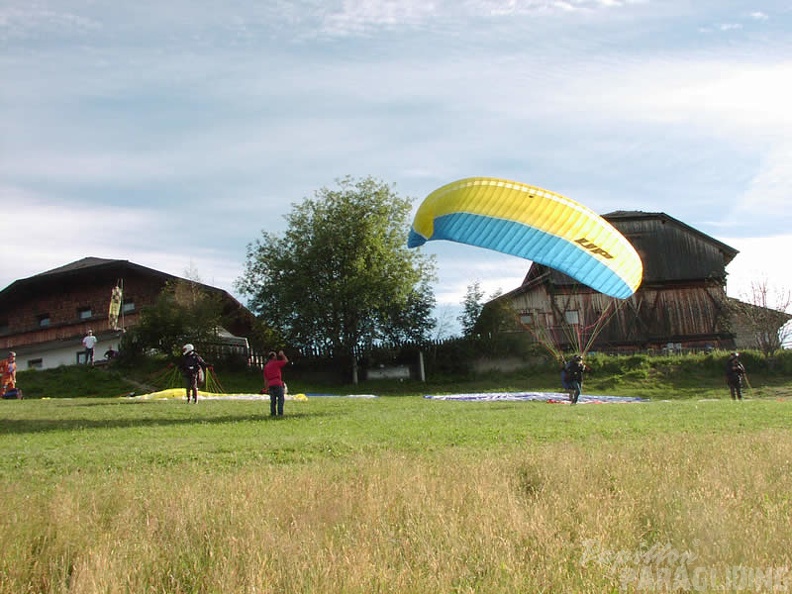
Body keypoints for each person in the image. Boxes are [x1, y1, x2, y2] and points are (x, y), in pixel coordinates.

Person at [263, 350, 289, 416]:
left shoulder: (266, 366)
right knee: (281, 399)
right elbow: (286, 361)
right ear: (273, 357)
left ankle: (273, 413)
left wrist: (266, 388)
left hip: (270, 384)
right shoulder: (276, 363)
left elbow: (265, 379)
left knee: (273, 400)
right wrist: (282, 355)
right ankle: (280, 413)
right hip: (277, 383)